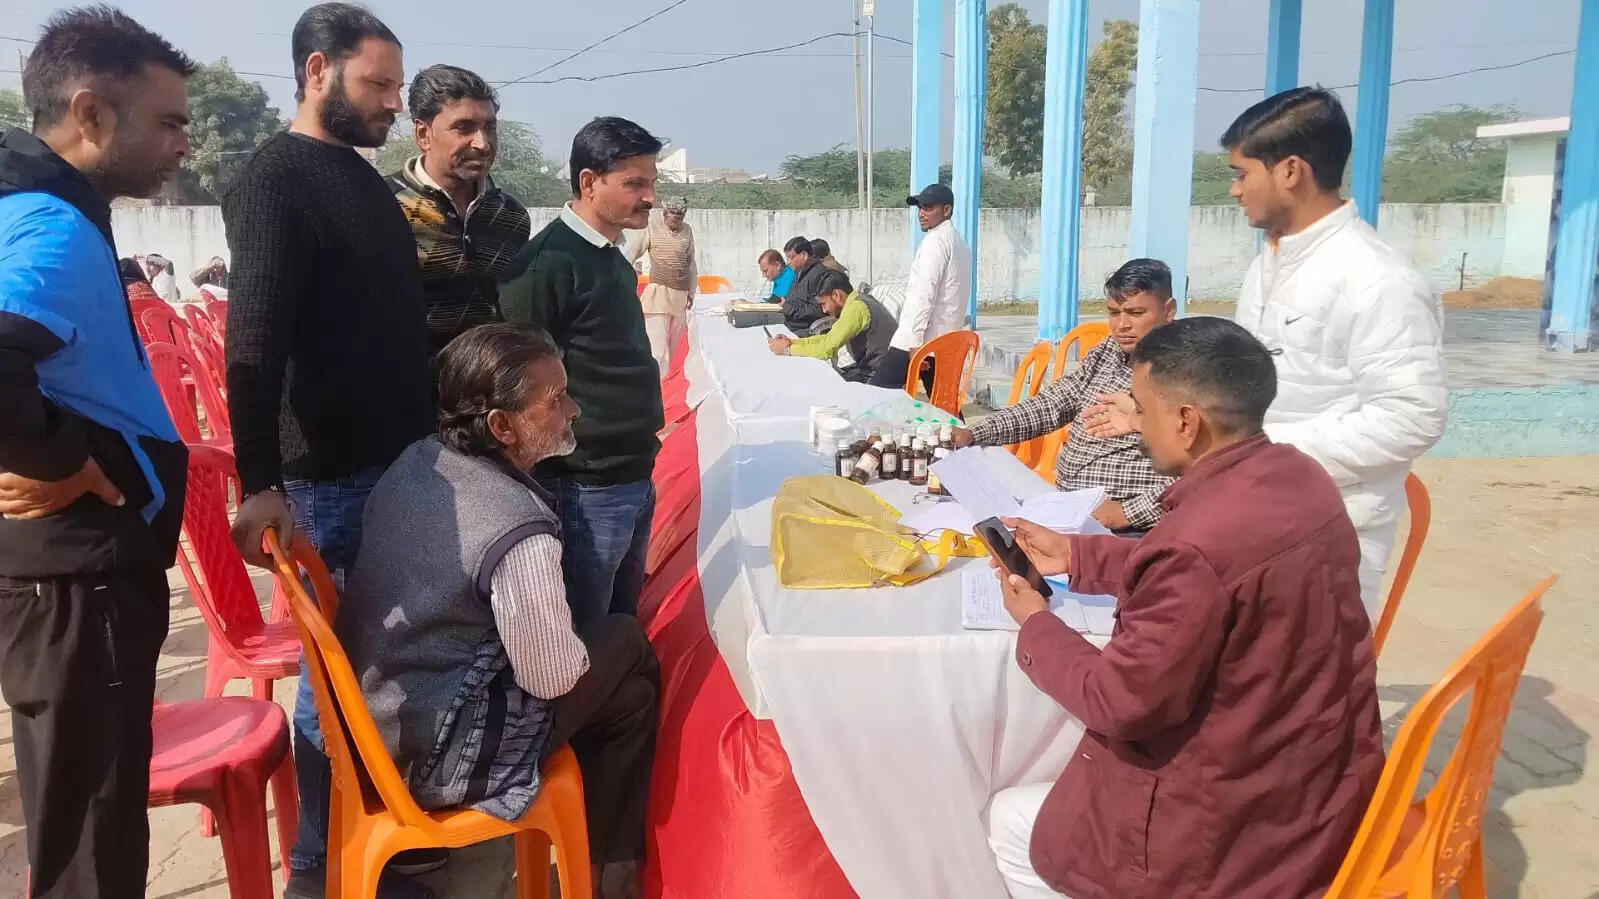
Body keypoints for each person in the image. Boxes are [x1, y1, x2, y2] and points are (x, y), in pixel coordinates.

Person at [986, 317, 1382, 899]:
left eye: (1141, 410)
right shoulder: (1301, 476)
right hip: (1319, 779)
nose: (1135, 427)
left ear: (1186, 422)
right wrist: (1076, 556)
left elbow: (1115, 701)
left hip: (1237, 829)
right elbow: (1217, 577)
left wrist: (1037, 625)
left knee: (1012, 819)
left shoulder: (1194, 542)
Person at [221, 5, 437, 896]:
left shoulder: (358, 176)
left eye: (395, 85)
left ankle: (387, 845)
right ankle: (319, 869)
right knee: (338, 683)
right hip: (330, 479)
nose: (394, 103)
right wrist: (261, 481)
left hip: (394, 467)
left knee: (387, 669)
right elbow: (254, 341)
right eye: (377, 85)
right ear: (319, 71)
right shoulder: (277, 179)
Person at [1087, 87, 1447, 620]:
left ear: (1291, 171)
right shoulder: (1270, 264)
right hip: (1252, 512)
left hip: (1327, 528)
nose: (1234, 191)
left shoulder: (1376, 279)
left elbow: (1412, 416)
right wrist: (1150, 412)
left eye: (1241, 173)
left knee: (1302, 689)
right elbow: (1244, 388)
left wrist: (1261, 452)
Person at [338, 323, 659, 899]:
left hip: (378, 727)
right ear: (501, 426)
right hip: (438, 757)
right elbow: (552, 676)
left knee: (628, 697)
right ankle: (612, 878)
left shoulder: (420, 460)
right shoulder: (517, 528)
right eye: (555, 400)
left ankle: (606, 874)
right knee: (626, 640)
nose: (574, 410)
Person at [0, 9, 194, 896]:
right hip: (81, 576)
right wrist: (61, 461)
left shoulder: (34, 207)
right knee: (91, 827)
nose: (182, 144)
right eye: (167, 122)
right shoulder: (52, 226)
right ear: (91, 113)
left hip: (69, 575)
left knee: (82, 807)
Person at [499, 116, 665, 629]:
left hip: (631, 472)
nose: (650, 198)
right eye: (634, 183)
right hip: (584, 487)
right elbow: (518, 381)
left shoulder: (609, 257)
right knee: (583, 634)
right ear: (589, 182)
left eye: (651, 183)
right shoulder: (546, 265)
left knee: (618, 623)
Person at [953, 260, 1177, 533]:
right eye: (1113, 313)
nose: (1122, 325)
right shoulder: (1108, 352)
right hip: (1069, 510)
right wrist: (976, 433)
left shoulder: (1188, 373)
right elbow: (1053, 404)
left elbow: (1202, 468)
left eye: (1136, 312)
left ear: (1168, 311)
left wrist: (1126, 513)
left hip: (1131, 529)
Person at [388, 64, 531, 354]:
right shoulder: (381, 204)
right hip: (403, 392)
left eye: (489, 127)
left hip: (487, 394)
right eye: (464, 128)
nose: (483, 143)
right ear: (423, 134)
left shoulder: (511, 217)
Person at [872, 182, 972, 390]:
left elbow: (924, 295)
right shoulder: (958, 242)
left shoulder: (936, 241)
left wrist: (915, 342)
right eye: (920, 207)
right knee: (944, 406)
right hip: (943, 341)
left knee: (878, 394)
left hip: (919, 341)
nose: (921, 213)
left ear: (946, 210)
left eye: (928, 208)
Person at [767, 270, 897, 382]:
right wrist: (792, 342)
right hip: (879, 370)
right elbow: (828, 339)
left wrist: (788, 351)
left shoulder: (857, 309)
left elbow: (826, 350)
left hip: (877, 377)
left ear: (836, 295)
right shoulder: (858, 302)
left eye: (824, 303)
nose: (824, 310)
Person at [624, 195, 697, 374]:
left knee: (672, 349)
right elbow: (631, 254)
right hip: (657, 296)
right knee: (658, 351)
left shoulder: (687, 231)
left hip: (680, 296)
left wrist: (692, 292)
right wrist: (621, 281)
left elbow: (691, 263)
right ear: (665, 214)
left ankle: (664, 390)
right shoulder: (652, 228)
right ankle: (656, 391)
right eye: (674, 217)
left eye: (681, 217)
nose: (678, 221)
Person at [780, 235, 829, 332]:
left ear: (804, 255)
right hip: (789, 324)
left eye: (791, 258)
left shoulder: (820, 275)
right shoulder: (799, 272)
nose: (788, 262)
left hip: (806, 330)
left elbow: (818, 309)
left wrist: (789, 308)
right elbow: (793, 298)